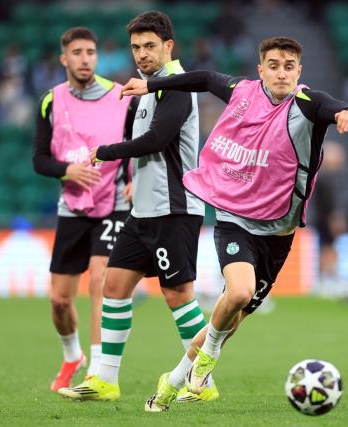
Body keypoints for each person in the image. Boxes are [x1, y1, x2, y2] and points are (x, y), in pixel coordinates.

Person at [120, 35, 348, 412]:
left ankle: (172, 381)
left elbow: (335, 107)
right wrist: (152, 84)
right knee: (236, 294)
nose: (281, 73)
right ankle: (206, 362)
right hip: (234, 216)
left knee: (233, 316)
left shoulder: (307, 103)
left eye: (288, 66)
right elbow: (201, 78)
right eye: (273, 65)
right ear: (260, 69)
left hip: (278, 231)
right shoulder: (242, 91)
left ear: (299, 71)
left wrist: (347, 114)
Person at [58, 11, 216, 403]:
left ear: (168, 46)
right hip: (143, 210)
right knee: (113, 286)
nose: (142, 54)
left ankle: (204, 384)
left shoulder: (176, 88)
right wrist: (130, 180)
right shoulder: (146, 88)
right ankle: (106, 379)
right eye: (136, 47)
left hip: (174, 210)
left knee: (178, 295)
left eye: (149, 46)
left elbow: (158, 139)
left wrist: (106, 153)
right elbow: (141, 143)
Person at [32, 27, 137, 392]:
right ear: (64, 58)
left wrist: (134, 176)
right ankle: (72, 355)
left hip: (113, 204)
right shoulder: (50, 101)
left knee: (99, 282)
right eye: (77, 52)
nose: (85, 59)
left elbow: (141, 142)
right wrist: (67, 170)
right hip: (73, 207)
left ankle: (97, 371)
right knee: (60, 299)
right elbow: (39, 160)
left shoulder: (121, 96)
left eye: (90, 52)